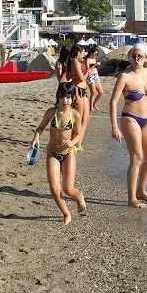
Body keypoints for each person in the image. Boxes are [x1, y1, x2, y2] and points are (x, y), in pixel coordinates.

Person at [109, 43, 147, 209]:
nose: (136, 59)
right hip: (130, 118)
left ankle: (141, 190)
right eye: (134, 56)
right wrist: (114, 126)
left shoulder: (146, 72)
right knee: (137, 158)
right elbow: (113, 102)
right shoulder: (124, 76)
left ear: (145, 58)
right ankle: (132, 200)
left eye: (140, 56)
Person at [31, 82, 87, 223]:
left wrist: (73, 142)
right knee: (55, 189)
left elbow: (79, 134)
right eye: (62, 97)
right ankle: (66, 213)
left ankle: (79, 196)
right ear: (57, 97)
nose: (65, 100)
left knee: (68, 189)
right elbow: (40, 128)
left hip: (68, 154)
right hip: (52, 153)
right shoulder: (51, 112)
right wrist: (36, 137)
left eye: (68, 97)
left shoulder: (75, 115)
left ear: (73, 98)